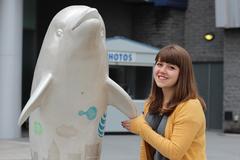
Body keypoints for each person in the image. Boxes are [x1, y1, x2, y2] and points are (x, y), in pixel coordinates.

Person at [122, 44, 206, 160]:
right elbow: (147, 146)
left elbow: (175, 152)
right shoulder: (151, 103)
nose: (162, 71)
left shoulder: (190, 106)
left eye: (171, 67)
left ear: (183, 74)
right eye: (159, 64)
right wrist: (142, 128)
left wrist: (141, 128)